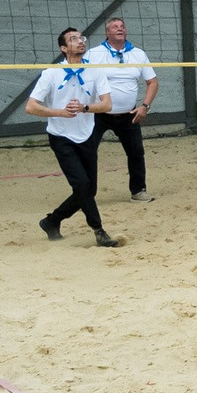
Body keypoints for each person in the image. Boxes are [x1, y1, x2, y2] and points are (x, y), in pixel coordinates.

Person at [30, 27, 119, 247]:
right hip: (61, 136)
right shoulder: (51, 73)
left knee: (90, 189)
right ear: (63, 48)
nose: (80, 41)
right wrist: (60, 112)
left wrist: (84, 108)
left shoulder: (95, 71)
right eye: (73, 39)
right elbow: (31, 107)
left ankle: (52, 221)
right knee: (81, 185)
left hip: (87, 134)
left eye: (81, 38)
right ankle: (99, 231)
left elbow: (107, 104)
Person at [82, 16, 159, 200]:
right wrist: (85, 106)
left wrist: (144, 106)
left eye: (122, 26)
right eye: (115, 27)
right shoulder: (94, 53)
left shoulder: (138, 54)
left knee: (136, 152)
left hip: (129, 113)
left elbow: (153, 82)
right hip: (99, 113)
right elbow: (81, 78)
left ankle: (138, 191)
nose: (120, 29)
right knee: (88, 152)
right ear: (107, 32)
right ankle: (85, 193)